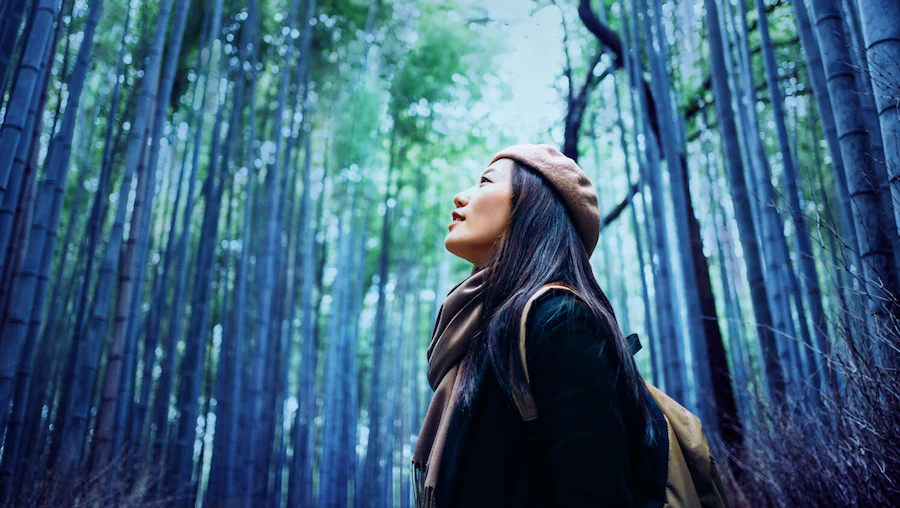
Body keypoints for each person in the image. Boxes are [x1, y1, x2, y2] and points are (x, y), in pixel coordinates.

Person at [412, 144, 670, 507]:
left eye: (485, 182)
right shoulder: (478, 338)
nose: (461, 196)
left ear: (530, 206)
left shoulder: (559, 322)